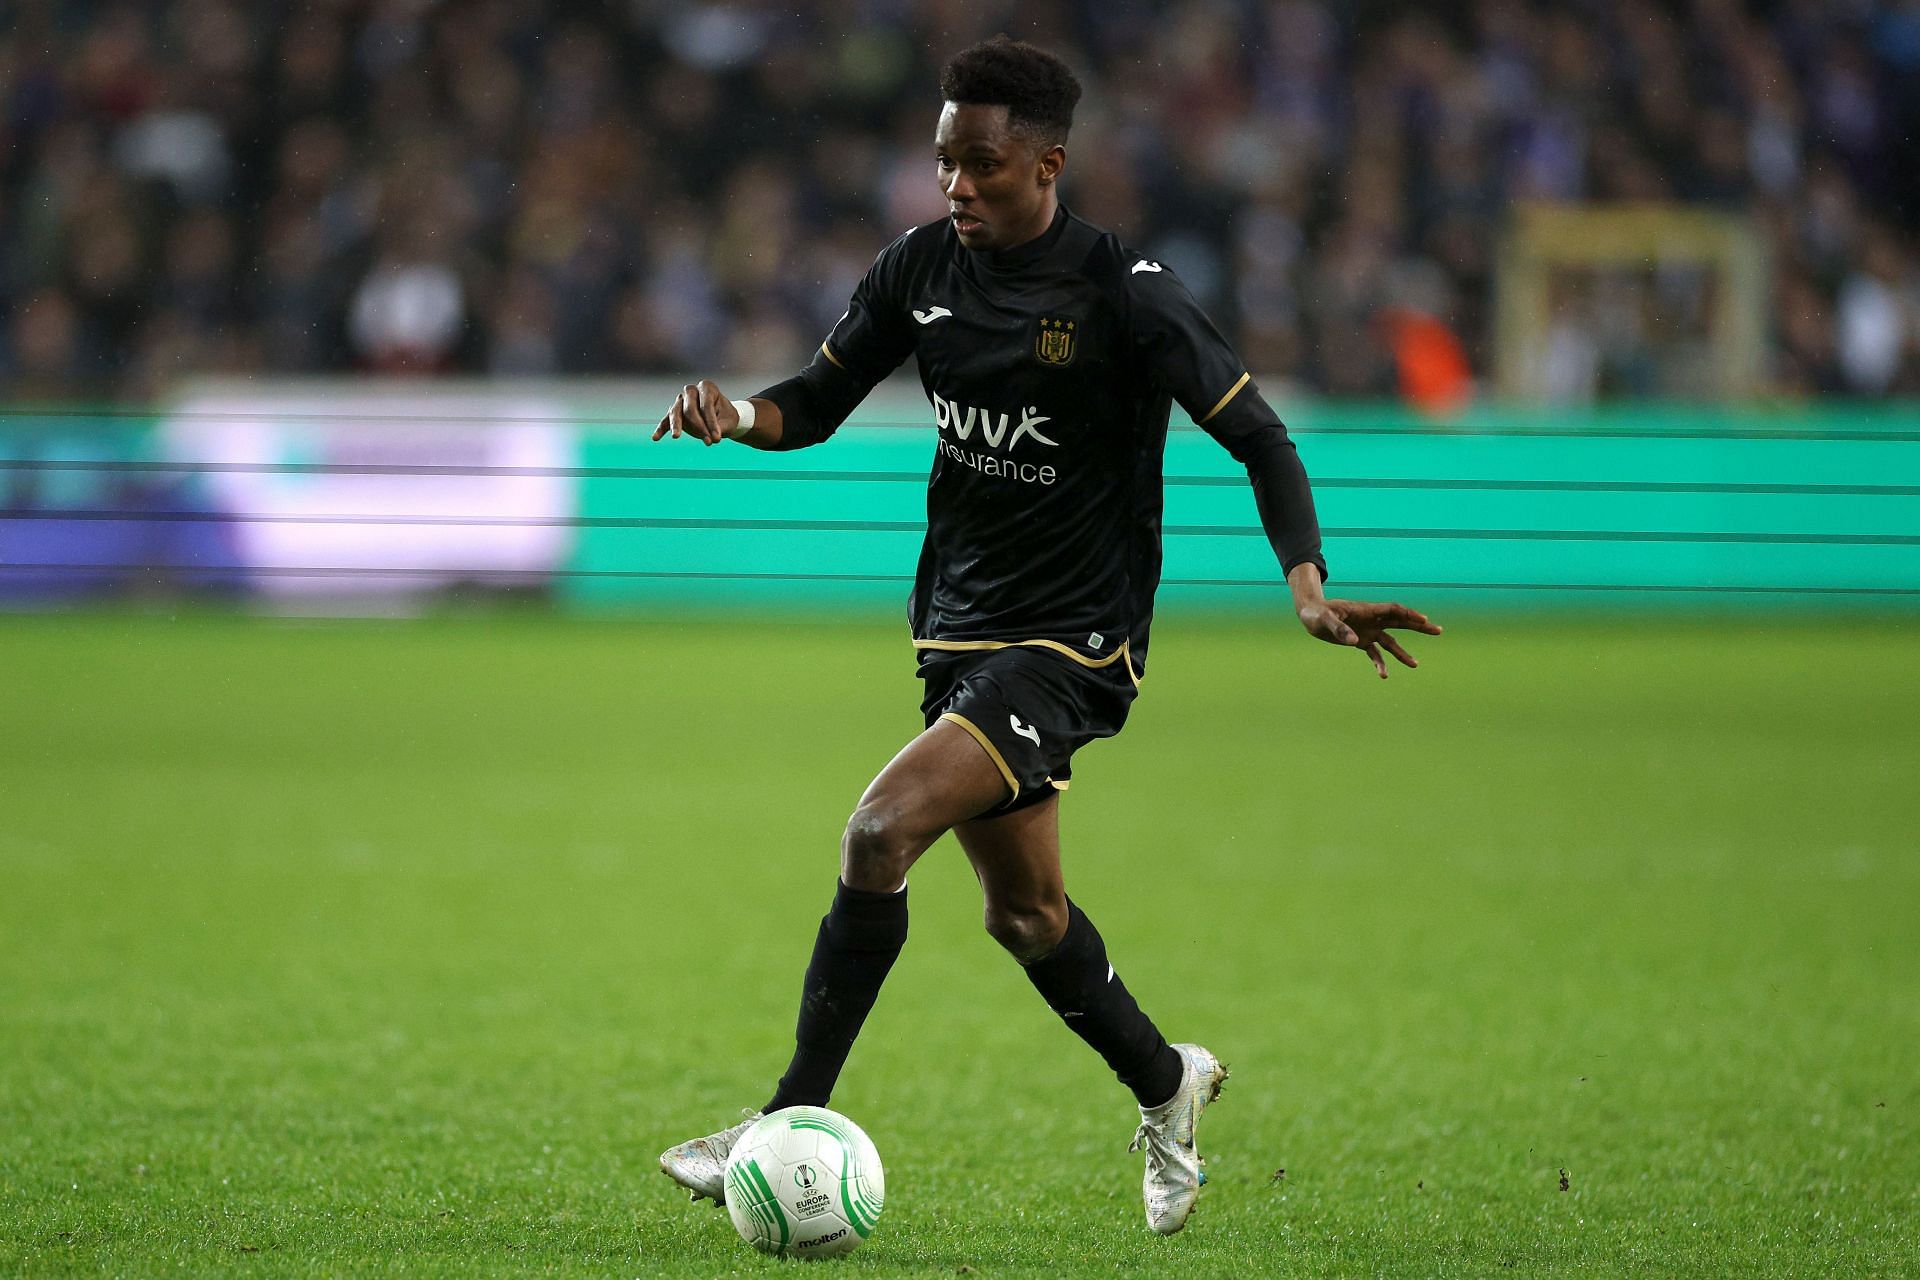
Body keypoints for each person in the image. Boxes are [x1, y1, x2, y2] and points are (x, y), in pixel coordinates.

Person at [652, 37, 1441, 1235]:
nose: (954, 186)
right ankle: (1166, 1081)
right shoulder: (917, 267)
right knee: (1025, 915)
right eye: (942, 162)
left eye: (979, 165)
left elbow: (1262, 437)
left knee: (880, 831)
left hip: (1073, 642)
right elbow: (809, 404)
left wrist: (1307, 583)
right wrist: (734, 415)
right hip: (956, 634)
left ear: (1049, 164)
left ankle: (774, 1119)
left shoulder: (1127, 292)